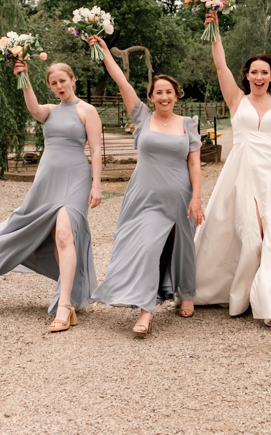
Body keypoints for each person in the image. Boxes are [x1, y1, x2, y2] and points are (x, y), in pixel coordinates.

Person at [193, 12, 271, 327]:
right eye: (254, 72)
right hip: (243, 174)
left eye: (265, 72)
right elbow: (221, 66)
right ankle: (238, 290)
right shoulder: (236, 100)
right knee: (251, 235)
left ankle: (270, 302)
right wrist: (215, 31)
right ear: (247, 75)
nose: (259, 77)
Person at [0, 60, 103, 333]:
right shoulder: (49, 111)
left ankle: (64, 306)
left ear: (73, 80)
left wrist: (96, 185)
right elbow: (33, 108)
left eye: (63, 80)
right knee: (50, 236)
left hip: (76, 178)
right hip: (47, 180)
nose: (59, 86)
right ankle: (70, 295)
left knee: (64, 234)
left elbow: (96, 150)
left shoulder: (87, 110)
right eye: (53, 83)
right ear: (50, 87)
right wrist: (24, 76)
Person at [87, 36, 204, 337]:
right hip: (145, 196)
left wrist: (197, 198)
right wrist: (102, 51)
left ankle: (186, 293)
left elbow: (194, 164)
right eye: (158, 92)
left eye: (169, 92)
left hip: (179, 195)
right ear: (151, 96)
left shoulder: (189, 124)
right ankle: (146, 310)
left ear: (176, 95)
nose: (164, 96)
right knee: (148, 249)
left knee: (182, 248)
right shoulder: (141, 116)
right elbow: (121, 81)